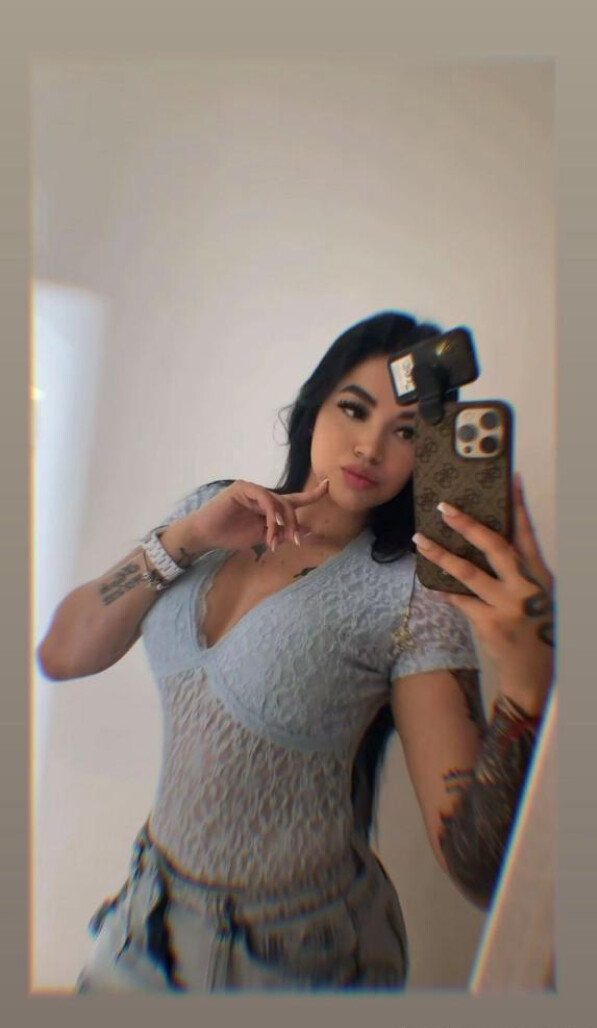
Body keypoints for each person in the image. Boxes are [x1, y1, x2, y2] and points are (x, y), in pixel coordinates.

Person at [37, 311, 555, 992]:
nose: (369, 447)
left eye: (406, 431)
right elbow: (61, 653)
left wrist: (525, 685)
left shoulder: (410, 594)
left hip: (294, 957)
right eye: (354, 409)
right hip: (144, 920)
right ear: (314, 406)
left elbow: (478, 873)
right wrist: (188, 537)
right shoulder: (212, 512)